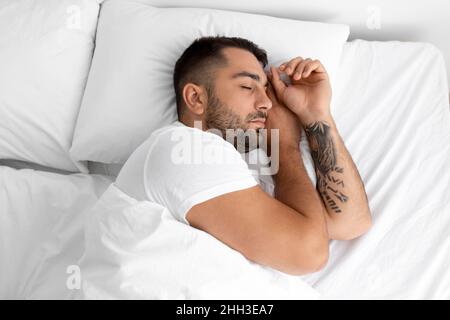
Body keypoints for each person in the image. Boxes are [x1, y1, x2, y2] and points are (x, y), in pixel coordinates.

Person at [115, 36, 372, 275]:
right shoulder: (181, 148)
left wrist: (315, 113)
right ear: (195, 97)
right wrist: (284, 145)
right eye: (248, 86)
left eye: (266, 89)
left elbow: (350, 223)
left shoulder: (249, 168)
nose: (266, 103)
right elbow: (310, 254)